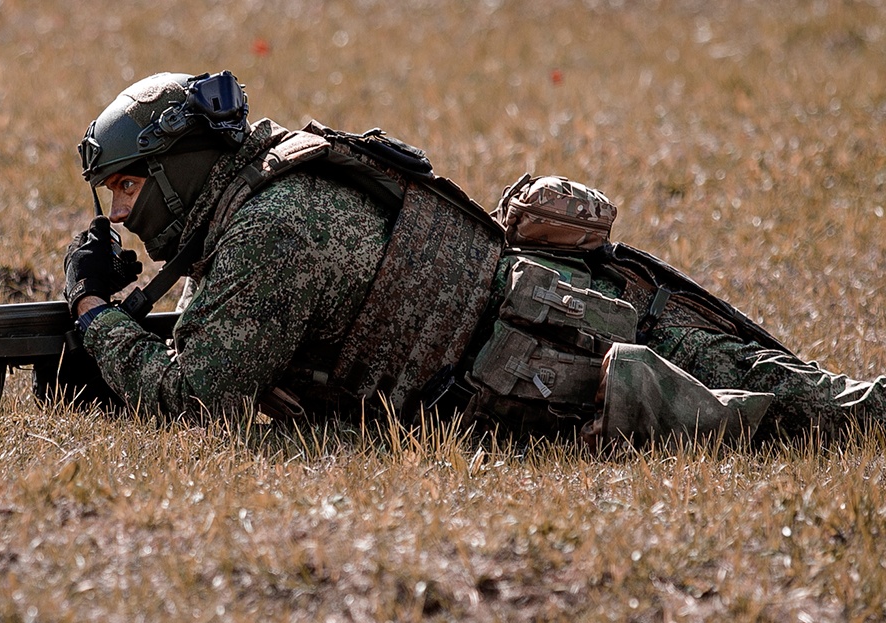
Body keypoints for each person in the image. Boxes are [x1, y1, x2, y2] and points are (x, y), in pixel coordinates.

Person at [62, 70, 886, 446]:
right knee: (809, 398)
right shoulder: (267, 191)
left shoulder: (270, 230)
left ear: (182, 168)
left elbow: (197, 401)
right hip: (560, 320)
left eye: (129, 187)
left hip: (574, 353)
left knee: (827, 412)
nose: (122, 214)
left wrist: (96, 316)